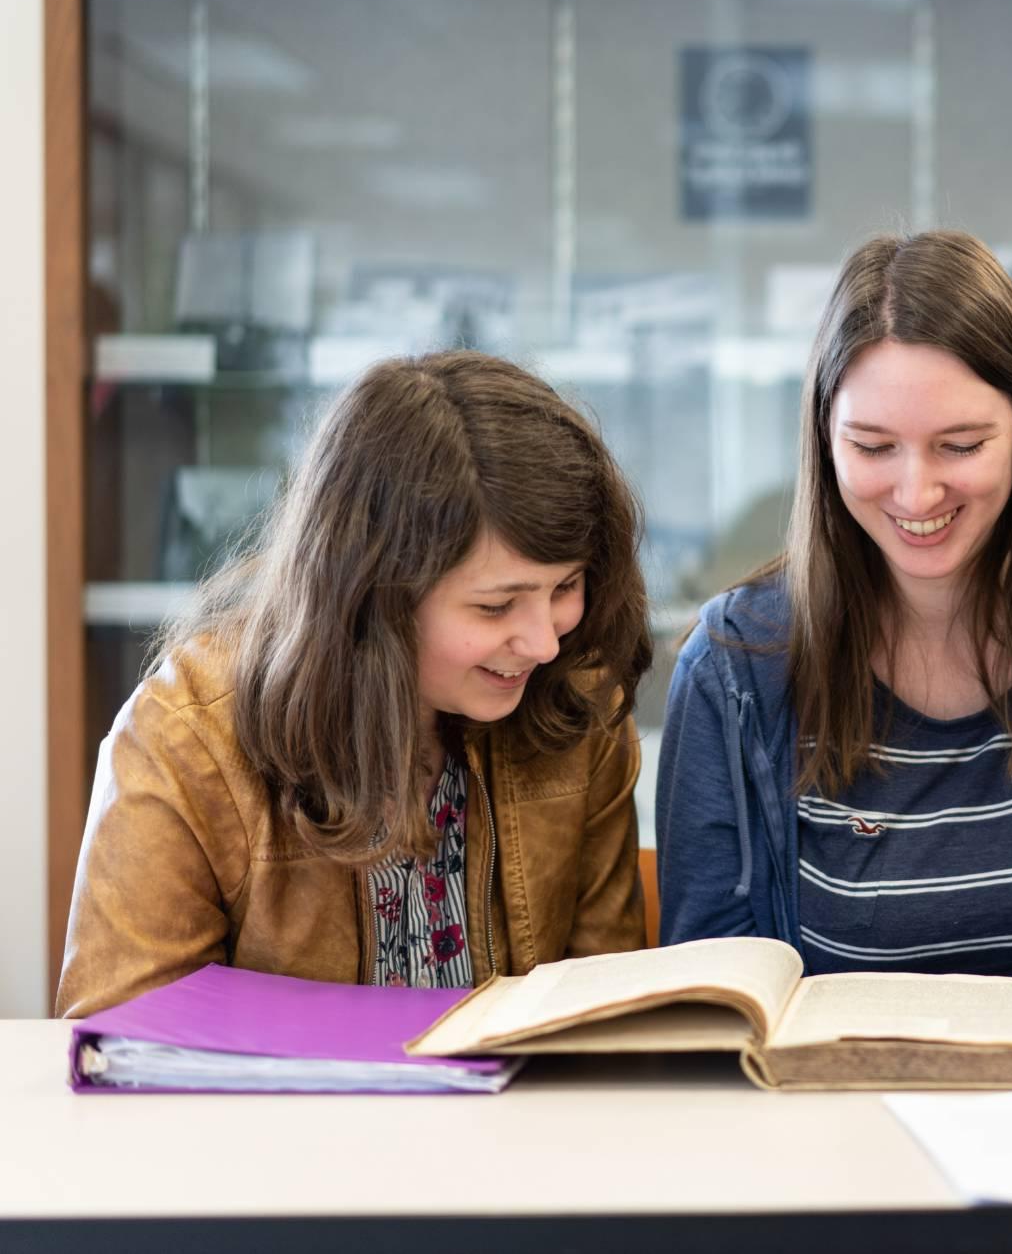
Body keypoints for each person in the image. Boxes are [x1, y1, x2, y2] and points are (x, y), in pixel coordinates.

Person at [656, 230, 1012, 980]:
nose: (916, 493)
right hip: (827, 1095)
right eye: (872, 447)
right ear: (824, 440)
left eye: (960, 446)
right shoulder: (735, 663)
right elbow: (716, 992)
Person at [57, 351, 654, 1016]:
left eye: (565, 588)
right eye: (496, 606)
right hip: (271, 1123)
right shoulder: (184, 741)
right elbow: (125, 1045)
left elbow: (608, 1028)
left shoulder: (574, 701)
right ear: (375, 595)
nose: (545, 641)